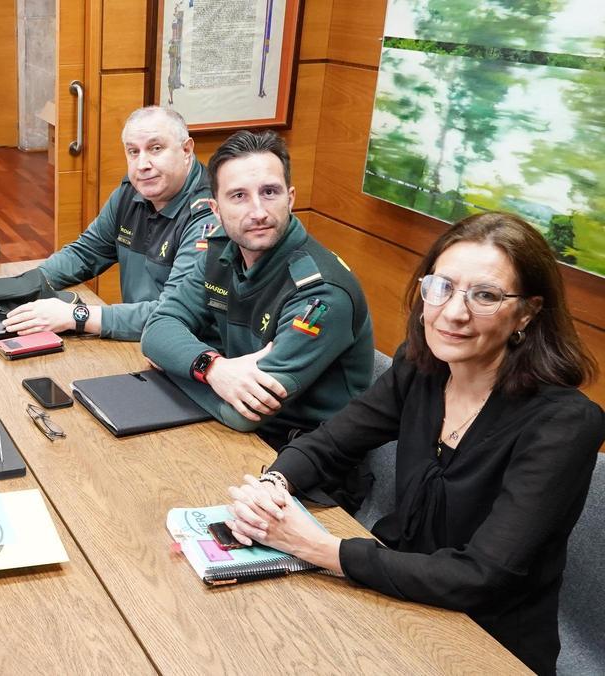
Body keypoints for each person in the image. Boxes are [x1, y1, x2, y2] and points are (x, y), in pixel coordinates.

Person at [224, 212, 603, 675]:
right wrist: (274, 484)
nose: (454, 311)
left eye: (484, 296)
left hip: (483, 642)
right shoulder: (420, 367)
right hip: (388, 595)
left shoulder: (565, 424)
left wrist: (320, 549)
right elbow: (332, 442)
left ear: (526, 312)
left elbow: (480, 577)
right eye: (442, 287)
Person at [142, 129, 374, 457]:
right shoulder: (223, 249)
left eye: (270, 192)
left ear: (290, 198)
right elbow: (157, 328)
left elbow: (244, 413)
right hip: (226, 435)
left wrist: (173, 365)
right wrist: (212, 368)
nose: (258, 211)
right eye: (238, 196)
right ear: (215, 209)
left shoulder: (321, 295)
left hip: (303, 469)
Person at [1, 106, 215, 341]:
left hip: (190, 352)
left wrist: (76, 315)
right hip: (139, 340)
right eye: (133, 152)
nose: (142, 164)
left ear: (186, 150)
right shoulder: (130, 193)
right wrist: (29, 284)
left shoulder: (208, 217)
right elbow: (86, 253)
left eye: (156, 148)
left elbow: (171, 314)